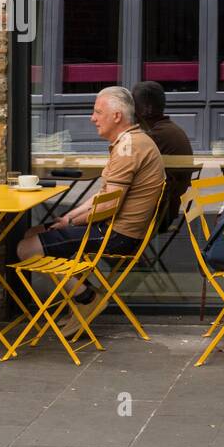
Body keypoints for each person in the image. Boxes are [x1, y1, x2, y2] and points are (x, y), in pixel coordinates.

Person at [18, 86, 164, 305]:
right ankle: (81, 293)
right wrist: (68, 218)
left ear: (116, 116)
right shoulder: (131, 142)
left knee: (26, 248)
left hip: (118, 235)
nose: (92, 118)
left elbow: (108, 207)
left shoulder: (128, 149)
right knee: (34, 231)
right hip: (118, 229)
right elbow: (103, 196)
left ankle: (87, 299)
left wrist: (71, 221)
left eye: (98, 112)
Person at [132, 80, 195, 232]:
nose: (131, 110)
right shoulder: (171, 130)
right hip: (166, 213)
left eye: (133, 105)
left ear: (146, 109)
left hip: (153, 218)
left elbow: (127, 172)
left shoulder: (155, 137)